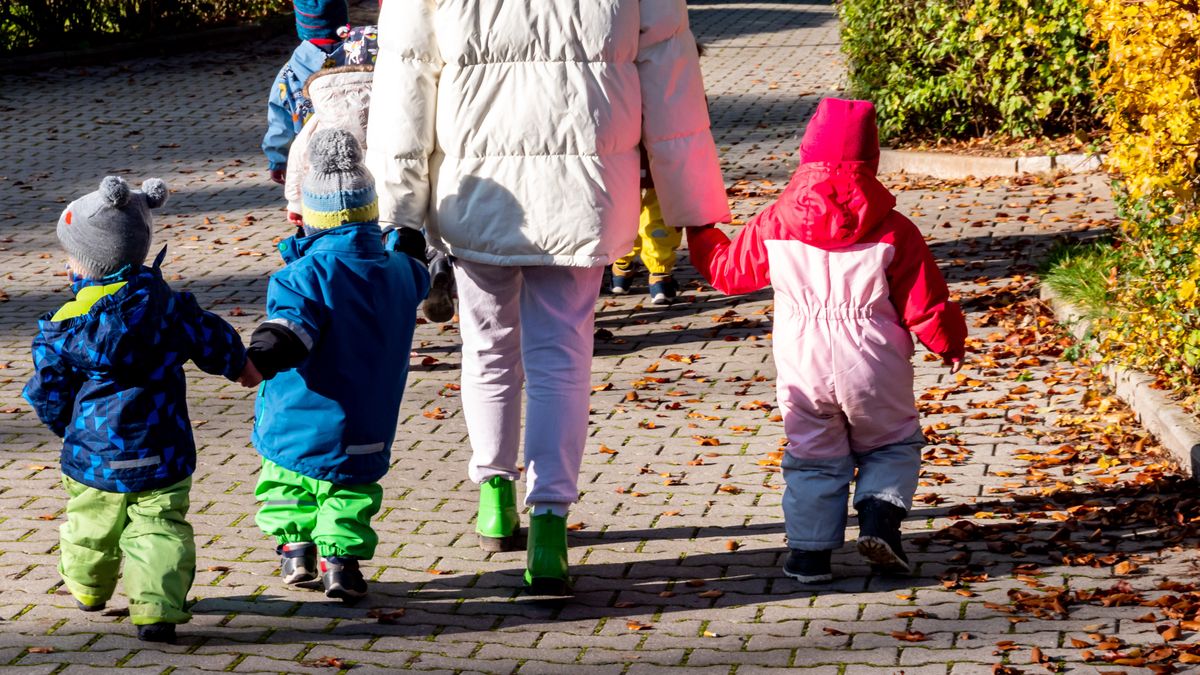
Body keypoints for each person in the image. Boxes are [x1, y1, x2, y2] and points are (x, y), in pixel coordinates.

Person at [366, 0, 730, 594]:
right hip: (585, 189)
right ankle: (550, 527)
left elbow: (406, 78)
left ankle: (493, 497)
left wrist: (399, 209)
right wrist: (693, 207)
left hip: (477, 190)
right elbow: (671, 77)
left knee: (487, 350)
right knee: (562, 359)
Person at [686, 98, 967, 583]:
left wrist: (700, 231)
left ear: (806, 153)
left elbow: (727, 272)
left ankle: (809, 556)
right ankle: (879, 519)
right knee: (892, 444)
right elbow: (926, 299)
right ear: (871, 159)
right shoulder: (894, 229)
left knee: (814, 455)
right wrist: (948, 341)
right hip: (875, 361)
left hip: (804, 362)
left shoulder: (775, 222)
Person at [23, 177, 256, 643]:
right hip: (163, 451)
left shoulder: (65, 327)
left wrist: (64, 427)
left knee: (91, 523)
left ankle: (89, 588)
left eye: (70, 257)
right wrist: (242, 367)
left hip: (94, 456)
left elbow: (48, 391)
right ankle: (156, 610)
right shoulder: (171, 309)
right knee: (160, 528)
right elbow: (214, 339)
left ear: (85, 265)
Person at [247, 129, 429, 602]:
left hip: (297, 415)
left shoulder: (302, 275)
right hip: (369, 419)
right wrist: (407, 244)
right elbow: (419, 273)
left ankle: (294, 549)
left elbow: (291, 327)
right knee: (349, 492)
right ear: (370, 212)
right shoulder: (398, 271)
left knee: (287, 481)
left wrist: (261, 356)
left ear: (311, 219)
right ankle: (341, 566)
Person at [283, 24, 455, 322]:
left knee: (354, 252)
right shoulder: (395, 97)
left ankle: (362, 302)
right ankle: (433, 269)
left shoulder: (325, 102)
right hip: (385, 195)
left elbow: (300, 153)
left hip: (333, 205)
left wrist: (295, 204)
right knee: (406, 244)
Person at [262, 0, 349, 185]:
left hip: (307, 161)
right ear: (345, 25)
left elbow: (279, 116)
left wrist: (277, 158)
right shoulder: (361, 60)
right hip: (356, 158)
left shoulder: (289, 74)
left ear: (301, 26)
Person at [609, 151, 682, 305]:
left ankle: (621, 268)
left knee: (622, 191)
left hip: (615, 133)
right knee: (660, 192)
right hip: (661, 134)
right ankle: (659, 276)